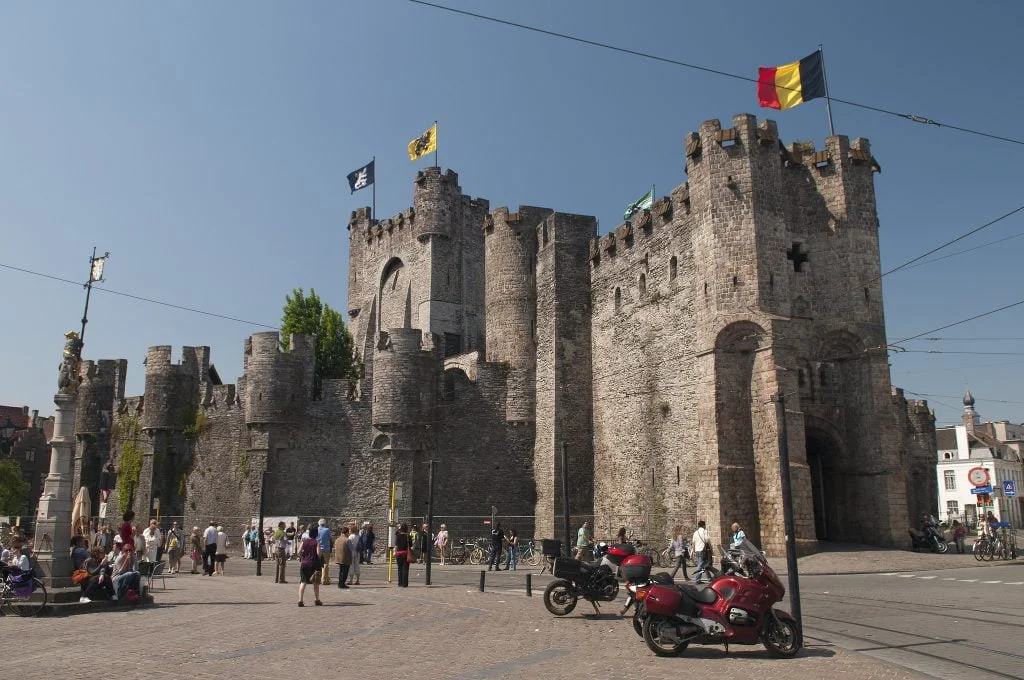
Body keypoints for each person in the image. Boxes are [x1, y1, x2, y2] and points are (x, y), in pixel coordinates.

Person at [297, 526, 322, 606]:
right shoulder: (316, 542)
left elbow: (298, 552)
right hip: (313, 564)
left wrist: (303, 555)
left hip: (304, 563)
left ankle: (300, 600)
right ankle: (317, 599)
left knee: (303, 582)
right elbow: (318, 554)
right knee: (315, 583)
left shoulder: (304, 541)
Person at [692, 520, 712, 585]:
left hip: (697, 550)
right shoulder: (704, 531)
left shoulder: (695, 532)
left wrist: (694, 551)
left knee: (705, 564)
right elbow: (707, 540)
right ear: (703, 525)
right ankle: (697, 579)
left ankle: (709, 578)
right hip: (703, 550)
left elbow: (693, 542)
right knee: (700, 565)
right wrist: (711, 548)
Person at [316, 519, 333, 585]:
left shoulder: (316, 530)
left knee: (318, 564)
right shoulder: (327, 530)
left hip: (318, 548)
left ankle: (317, 578)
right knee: (325, 564)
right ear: (325, 524)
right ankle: (324, 579)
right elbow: (330, 538)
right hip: (326, 548)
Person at [395, 523, 411, 587]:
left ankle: (400, 583)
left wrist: (395, 552)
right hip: (406, 554)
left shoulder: (398, 536)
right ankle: (405, 584)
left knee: (399, 569)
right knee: (406, 569)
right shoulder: (408, 536)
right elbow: (411, 546)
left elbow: (396, 545)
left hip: (399, 554)